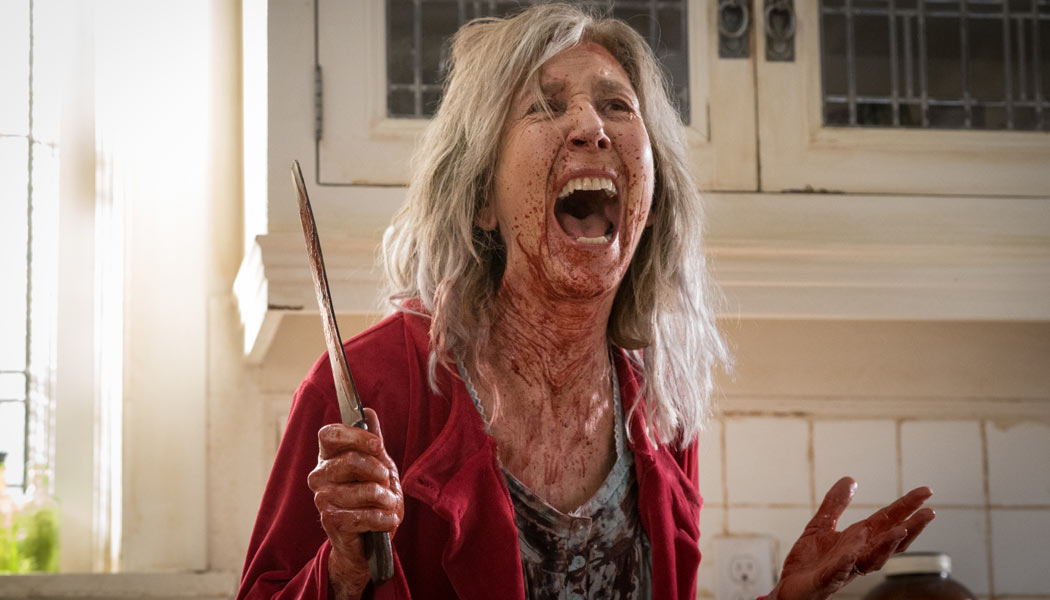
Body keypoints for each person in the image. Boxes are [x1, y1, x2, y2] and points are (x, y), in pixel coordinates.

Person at [237, 5, 935, 599]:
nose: (591, 128)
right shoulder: (369, 389)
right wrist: (340, 572)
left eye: (616, 106)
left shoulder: (660, 408)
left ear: (649, 201)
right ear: (482, 201)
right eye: (545, 106)